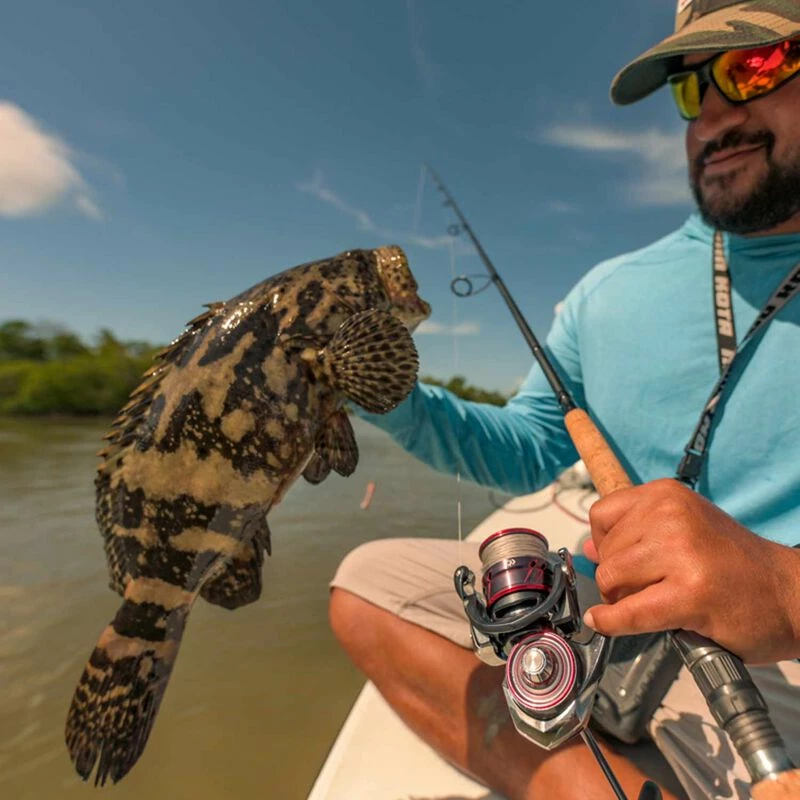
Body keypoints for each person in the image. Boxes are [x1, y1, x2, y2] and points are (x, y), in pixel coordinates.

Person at [329, 2, 800, 798]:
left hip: (782, 652)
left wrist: (784, 591)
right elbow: (526, 446)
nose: (715, 116)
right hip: (602, 602)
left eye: (752, 67)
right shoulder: (606, 291)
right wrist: (383, 388)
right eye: (691, 90)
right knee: (367, 586)